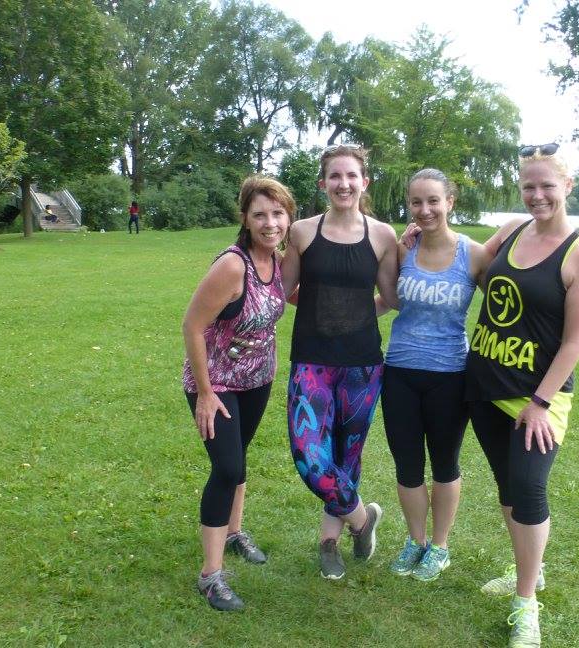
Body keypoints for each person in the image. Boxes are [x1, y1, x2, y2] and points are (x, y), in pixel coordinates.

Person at [465, 143, 579, 648]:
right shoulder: (512, 232)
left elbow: (574, 341)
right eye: (529, 186)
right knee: (507, 487)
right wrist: (423, 237)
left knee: (528, 489)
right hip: (482, 385)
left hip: (535, 399)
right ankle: (532, 571)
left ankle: (526, 602)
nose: (537, 195)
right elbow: (474, 268)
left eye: (547, 185)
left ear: (568, 187)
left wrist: (540, 403)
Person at [280, 144, 400, 580]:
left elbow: (389, 298)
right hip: (311, 362)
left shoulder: (383, 235)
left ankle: (328, 542)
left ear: (364, 182)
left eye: (352, 176)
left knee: (346, 457)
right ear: (322, 183)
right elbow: (283, 290)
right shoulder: (302, 232)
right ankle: (362, 520)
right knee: (311, 457)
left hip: (363, 366)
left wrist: (355, 312)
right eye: (335, 176)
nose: (343, 184)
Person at [181, 175, 293, 611]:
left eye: (278, 213)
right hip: (217, 383)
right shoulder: (233, 266)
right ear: (245, 219)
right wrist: (206, 394)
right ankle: (210, 576)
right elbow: (192, 325)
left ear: (288, 217)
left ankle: (233, 532)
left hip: (257, 380)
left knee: (239, 460)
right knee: (227, 468)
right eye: (260, 214)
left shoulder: (277, 262)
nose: (270, 222)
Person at [377, 169, 490, 582]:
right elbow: (386, 300)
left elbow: (511, 298)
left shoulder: (473, 255)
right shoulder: (402, 250)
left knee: (445, 464)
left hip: (449, 376)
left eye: (433, 201)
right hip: (400, 373)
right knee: (407, 464)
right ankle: (416, 540)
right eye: (416, 202)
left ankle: (440, 546)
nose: (424, 210)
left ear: (450, 202)